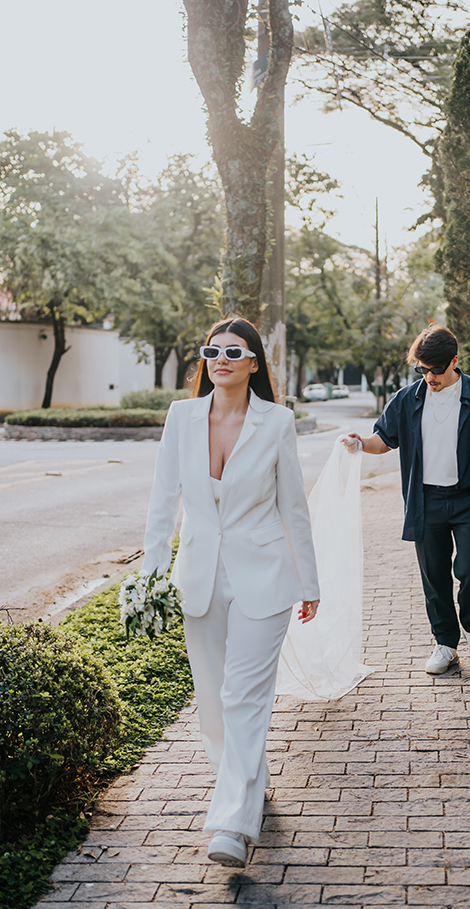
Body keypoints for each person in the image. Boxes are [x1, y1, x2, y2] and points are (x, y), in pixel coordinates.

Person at [141, 317, 320, 868]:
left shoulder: (277, 422)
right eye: (212, 350)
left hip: (264, 576)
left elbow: (293, 504)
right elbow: (161, 500)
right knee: (214, 703)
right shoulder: (182, 417)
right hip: (199, 575)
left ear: (253, 363)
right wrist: (150, 576)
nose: (221, 358)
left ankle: (233, 825)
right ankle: (246, 781)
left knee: (245, 697)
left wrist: (310, 581)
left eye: (234, 351)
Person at [344, 323, 470, 675]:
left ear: (454, 361)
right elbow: (383, 440)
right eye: (421, 369)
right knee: (434, 576)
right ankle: (445, 644)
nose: (429, 377)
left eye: (435, 370)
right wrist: (360, 443)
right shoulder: (408, 399)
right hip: (426, 500)